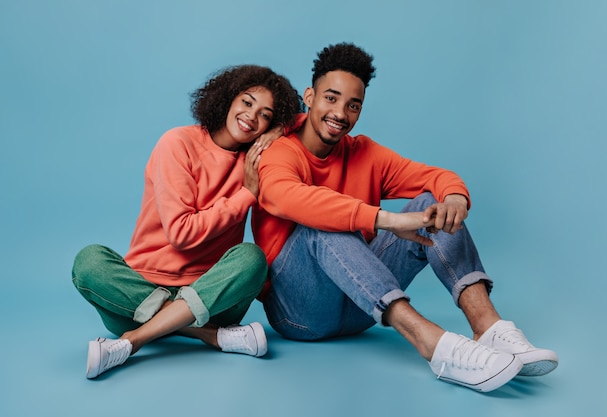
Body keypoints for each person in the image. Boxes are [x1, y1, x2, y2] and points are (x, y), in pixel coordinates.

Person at [251, 43, 558, 392]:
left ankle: (489, 328)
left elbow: (437, 178)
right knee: (319, 224)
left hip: (361, 307)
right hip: (299, 313)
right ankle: (432, 342)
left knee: (430, 204)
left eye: (353, 105)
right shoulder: (278, 150)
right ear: (310, 96)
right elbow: (287, 197)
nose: (340, 113)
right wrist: (391, 221)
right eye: (331, 98)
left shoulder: (364, 152)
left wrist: (455, 199)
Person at [72, 65, 301, 379]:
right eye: (247, 103)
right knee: (89, 262)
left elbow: (311, 122)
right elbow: (181, 234)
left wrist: (280, 130)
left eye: (265, 114)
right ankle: (208, 335)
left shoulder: (256, 158)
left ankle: (134, 340)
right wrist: (246, 195)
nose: (252, 116)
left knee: (252, 259)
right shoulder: (177, 143)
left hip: (210, 293)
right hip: (139, 293)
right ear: (228, 98)